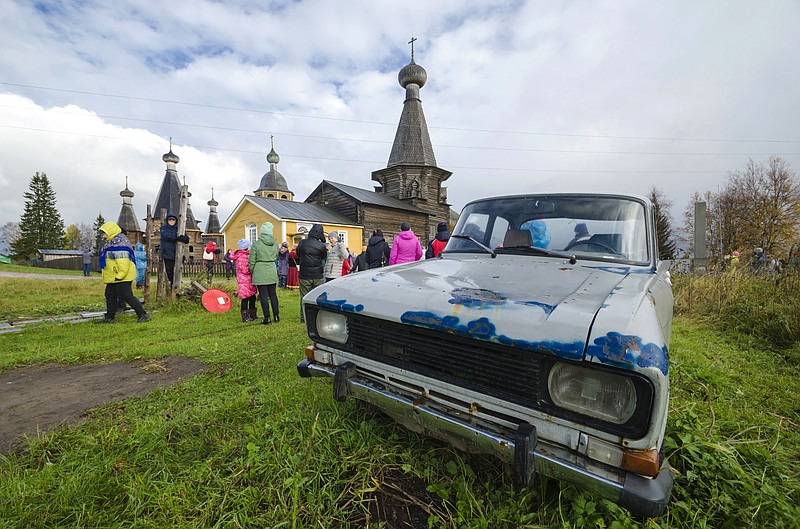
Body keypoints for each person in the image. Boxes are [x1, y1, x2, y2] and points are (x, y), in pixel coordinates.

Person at [94, 221, 150, 324]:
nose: (103, 235)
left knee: (127, 296)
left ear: (111, 231)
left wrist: (120, 276)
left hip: (121, 277)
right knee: (110, 295)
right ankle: (110, 317)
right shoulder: (111, 243)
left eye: (105, 233)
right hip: (114, 277)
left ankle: (143, 314)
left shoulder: (120, 244)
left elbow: (123, 263)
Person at [249, 222, 280, 324]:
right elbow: (276, 257)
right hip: (271, 268)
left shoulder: (256, 244)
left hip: (260, 269)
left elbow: (252, 260)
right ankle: (276, 316)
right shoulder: (275, 244)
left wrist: (252, 270)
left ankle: (267, 318)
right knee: (273, 294)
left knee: (263, 295)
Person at [296, 224, 327, 323]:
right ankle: (317, 317)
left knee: (304, 296)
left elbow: (298, 254)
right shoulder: (322, 246)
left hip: (304, 274)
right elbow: (323, 258)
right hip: (318, 274)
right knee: (317, 296)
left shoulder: (302, 243)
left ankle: (303, 318)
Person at [159, 214, 189, 287]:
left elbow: (186, 239)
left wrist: (183, 238)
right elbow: (166, 236)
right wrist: (178, 237)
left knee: (178, 269)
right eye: (170, 220)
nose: (171, 221)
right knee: (169, 270)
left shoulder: (179, 229)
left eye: (173, 220)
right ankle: (172, 283)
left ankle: (178, 283)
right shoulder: (164, 228)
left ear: (176, 221)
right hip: (167, 252)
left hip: (177, 253)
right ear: (167, 220)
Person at [232, 239, 258, 322]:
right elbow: (245, 270)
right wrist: (253, 268)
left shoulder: (246, 256)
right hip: (244, 281)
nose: (251, 247)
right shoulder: (242, 257)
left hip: (248, 280)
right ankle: (245, 317)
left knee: (252, 297)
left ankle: (252, 315)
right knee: (245, 298)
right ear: (246, 248)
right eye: (250, 246)